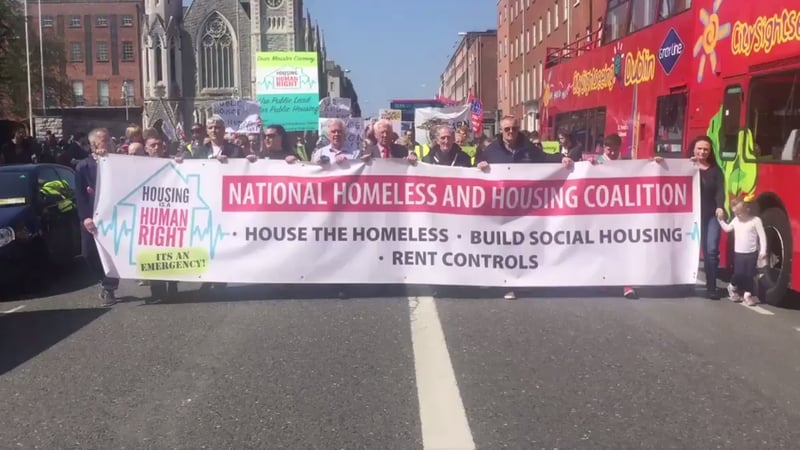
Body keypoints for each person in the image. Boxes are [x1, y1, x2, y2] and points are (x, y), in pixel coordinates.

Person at [477, 115, 574, 300]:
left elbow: (544, 158)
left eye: (514, 128)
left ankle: (522, 280)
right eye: (507, 129)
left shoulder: (527, 147)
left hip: (524, 207)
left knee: (522, 243)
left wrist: (562, 159)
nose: (511, 133)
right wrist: (479, 165)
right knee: (503, 244)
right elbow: (476, 167)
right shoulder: (491, 150)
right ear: (501, 131)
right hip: (501, 206)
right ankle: (506, 284)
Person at [590, 133, 663, 299]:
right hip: (603, 214)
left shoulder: (626, 163)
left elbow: (643, 169)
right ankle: (604, 280)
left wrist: (654, 163)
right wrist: (589, 165)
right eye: (609, 150)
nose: (613, 153)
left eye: (615, 150)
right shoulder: (597, 162)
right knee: (606, 249)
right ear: (604, 148)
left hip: (623, 214)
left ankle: (627, 285)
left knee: (625, 249)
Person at [75, 127, 120, 307]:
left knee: (113, 253)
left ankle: (109, 287)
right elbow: (79, 195)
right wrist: (85, 217)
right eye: (104, 140)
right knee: (88, 253)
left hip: (114, 216)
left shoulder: (116, 162)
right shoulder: (83, 167)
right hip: (92, 217)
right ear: (94, 144)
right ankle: (102, 280)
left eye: (109, 140)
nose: (109, 143)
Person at [141, 129, 179, 304]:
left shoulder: (174, 162)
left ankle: (172, 286)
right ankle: (157, 290)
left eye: (160, 145)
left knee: (171, 252)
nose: (157, 148)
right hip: (149, 216)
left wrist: (181, 163)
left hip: (171, 213)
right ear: (146, 148)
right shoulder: (137, 164)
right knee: (152, 252)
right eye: (152, 145)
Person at [689, 135, 726, 299]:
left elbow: (720, 191)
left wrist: (720, 206)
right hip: (690, 217)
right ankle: (685, 283)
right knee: (689, 251)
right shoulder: (687, 166)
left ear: (710, 152)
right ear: (693, 149)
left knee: (711, 250)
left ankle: (712, 287)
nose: (702, 152)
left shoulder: (716, 170)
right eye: (699, 148)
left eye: (706, 149)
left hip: (711, 216)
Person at [718, 196, 767, 306]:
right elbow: (727, 228)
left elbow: (762, 237)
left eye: (739, 213)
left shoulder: (755, 221)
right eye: (735, 213)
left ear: (747, 210)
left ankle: (747, 295)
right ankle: (732, 286)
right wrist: (720, 220)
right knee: (739, 273)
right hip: (739, 253)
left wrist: (763, 250)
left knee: (749, 274)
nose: (737, 216)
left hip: (752, 252)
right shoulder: (736, 220)